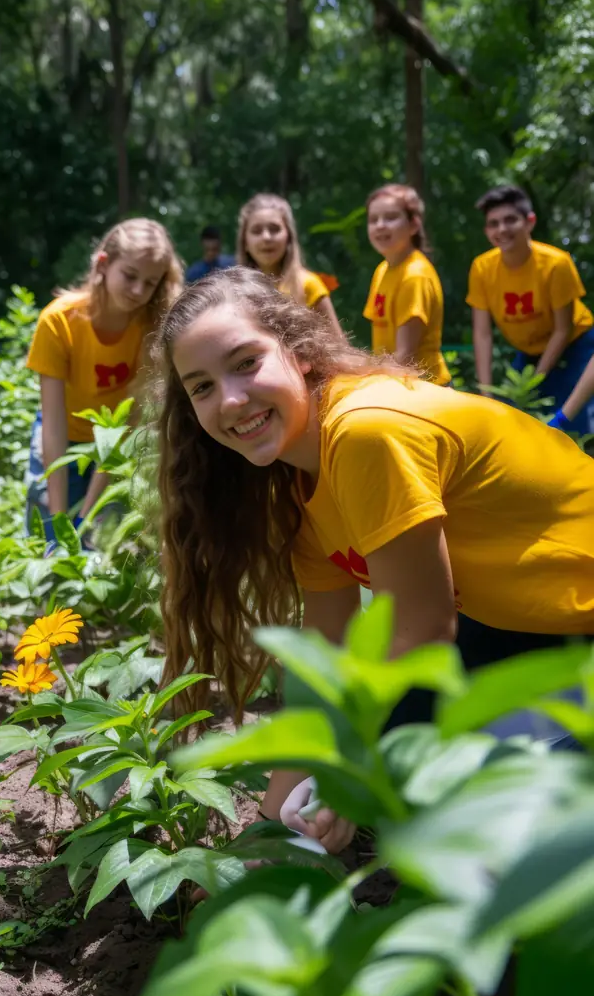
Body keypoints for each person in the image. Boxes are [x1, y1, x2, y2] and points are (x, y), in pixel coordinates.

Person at [155, 266, 594, 853]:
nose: (230, 399)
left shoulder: (367, 434)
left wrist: (346, 773)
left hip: (567, 630)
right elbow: (323, 663)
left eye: (245, 362)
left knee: (471, 842)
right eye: (201, 387)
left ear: (301, 351)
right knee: (363, 756)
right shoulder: (299, 482)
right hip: (521, 629)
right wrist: (262, 844)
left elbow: (424, 629)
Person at [26, 218, 183, 542]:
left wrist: (88, 512)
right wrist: (58, 522)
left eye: (150, 282)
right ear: (103, 264)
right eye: (130, 276)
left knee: (99, 539)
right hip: (60, 437)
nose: (139, 290)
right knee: (44, 540)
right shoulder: (58, 322)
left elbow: (130, 419)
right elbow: (52, 424)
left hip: (112, 442)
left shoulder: (151, 326)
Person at [467, 184, 594, 434]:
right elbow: (482, 334)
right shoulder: (482, 268)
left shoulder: (556, 264)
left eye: (510, 220)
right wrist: (485, 392)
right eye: (493, 223)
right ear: (486, 230)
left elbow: (563, 329)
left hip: (574, 345)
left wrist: (538, 378)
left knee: (572, 427)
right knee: (517, 420)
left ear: (530, 221)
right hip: (527, 352)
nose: (501, 229)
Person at [363, 184, 450, 385]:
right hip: (397, 385)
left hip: (427, 389)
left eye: (391, 217)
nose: (380, 225)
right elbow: (382, 346)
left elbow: (404, 356)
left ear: (413, 225)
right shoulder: (382, 270)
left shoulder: (414, 275)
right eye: (373, 220)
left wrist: (363, 376)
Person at [236, 193, 343, 337]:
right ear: (245, 243)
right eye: (256, 231)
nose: (266, 237)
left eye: (274, 229)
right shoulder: (235, 291)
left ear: (289, 237)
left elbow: (340, 351)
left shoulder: (308, 285)